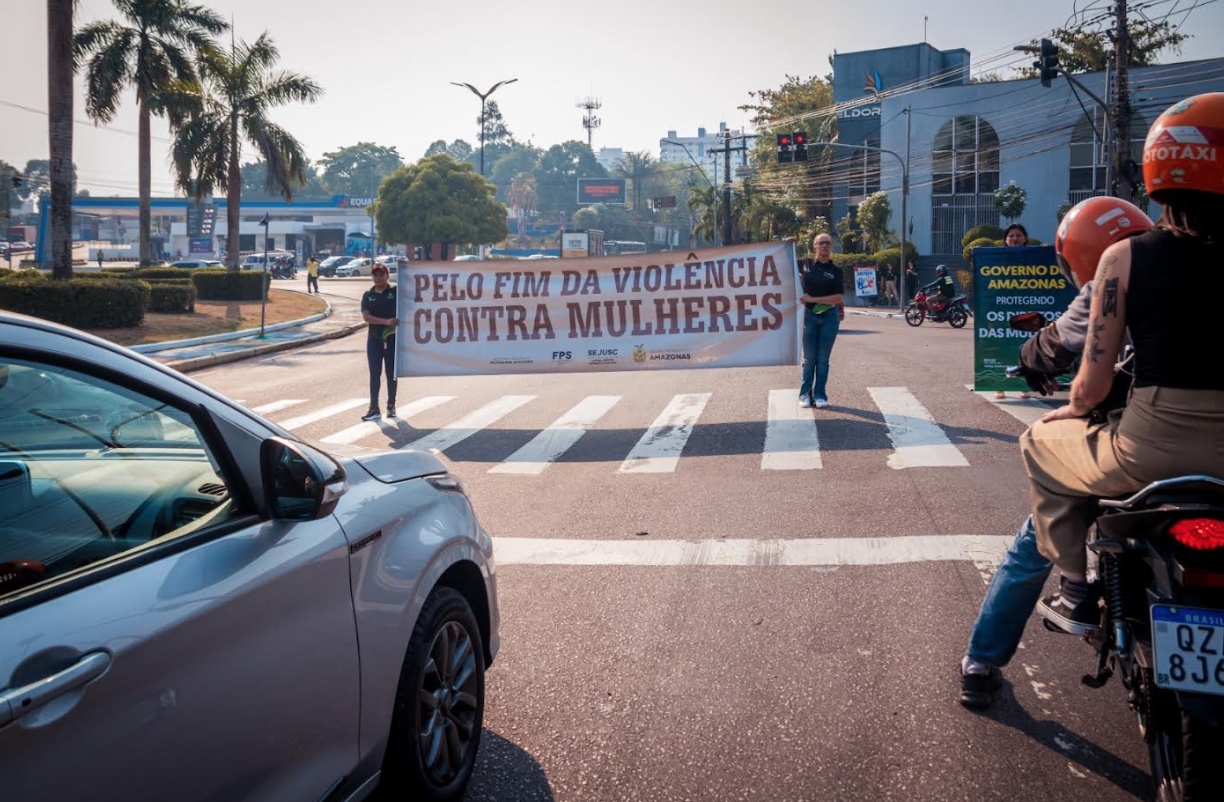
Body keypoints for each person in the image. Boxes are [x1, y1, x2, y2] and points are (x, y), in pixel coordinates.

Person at [1021, 92, 1224, 637]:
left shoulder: (1127, 255)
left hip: (1153, 448)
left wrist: (1073, 409)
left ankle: (1075, 591)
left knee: (1039, 442)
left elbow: (1092, 382)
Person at [958, 195, 1153, 709]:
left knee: (1037, 533)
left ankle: (985, 659)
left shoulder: (1115, 275)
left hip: (1133, 445)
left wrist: (1038, 365)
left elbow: (1075, 367)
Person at [797, 233, 845, 409]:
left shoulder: (836, 271)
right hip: (808, 317)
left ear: (831, 246)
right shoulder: (804, 265)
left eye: (827, 243)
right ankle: (804, 394)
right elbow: (782, 263)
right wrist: (787, 244)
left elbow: (838, 297)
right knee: (809, 358)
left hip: (829, 318)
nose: (824, 246)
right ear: (814, 246)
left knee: (823, 359)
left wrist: (813, 299)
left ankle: (820, 395)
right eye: (821, 243)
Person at [997, 223, 1033, 399]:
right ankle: (998, 386)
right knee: (1002, 347)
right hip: (1002, 308)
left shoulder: (1035, 256)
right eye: (1011, 236)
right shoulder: (996, 258)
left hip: (1025, 308)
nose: (1015, 238)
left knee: (1024, 348)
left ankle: (1024, 384)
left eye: (1019, 235)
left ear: (1025, 238)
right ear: (1005, 240)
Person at [360, 263, 399, 421]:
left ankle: (391, 406)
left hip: (392, 339)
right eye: (375, 275)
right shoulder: (368, 295)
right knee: (375, 374)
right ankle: (374, 408)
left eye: (381, 275)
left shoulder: (395, 292)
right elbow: (366, 317)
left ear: (387, 276)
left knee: (392, 374)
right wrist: (386, 321)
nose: (378, 278)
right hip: (374, 340)